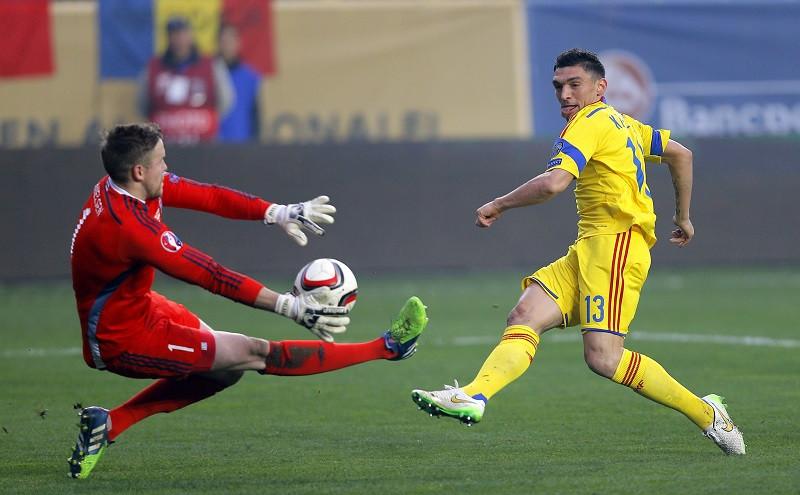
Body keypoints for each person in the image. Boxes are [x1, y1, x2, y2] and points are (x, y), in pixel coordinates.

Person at [410, 48, 745, 455]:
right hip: (590, 247)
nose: (565, 94)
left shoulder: (589, 122)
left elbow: (553, 183)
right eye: (558, 86)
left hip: (617, 246)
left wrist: (499, 204)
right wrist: (684, 216)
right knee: (524, 315)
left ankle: (708, 415)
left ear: (600, 87)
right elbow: (681, 153)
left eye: (574, 84)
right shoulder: (622, 122)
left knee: (604, 359)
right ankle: (474, 395)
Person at [67, 123, 428, 479]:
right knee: (252, 352)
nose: (167, 166)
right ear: (139, 171)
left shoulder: (123, 186)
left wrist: (276, 212)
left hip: (141, 307)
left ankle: (109, 423)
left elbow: (209, 196)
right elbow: (211, 275)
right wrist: (288, 306)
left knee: (226, 370)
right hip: (120, 339)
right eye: (161, 160)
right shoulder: (128, 227)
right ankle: (387, 348)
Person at [137, 17, 234, 143]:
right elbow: (142, 104)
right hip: (165, 145)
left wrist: (199, 121)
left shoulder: (211, 65)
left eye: (183, 34)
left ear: (190, 36)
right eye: (174, 35)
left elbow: (226, 101)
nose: (179, 40)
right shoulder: (153, 67)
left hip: (204, 144)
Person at [217, 22, 261, 142]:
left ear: (238, 43)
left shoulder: (250, 76)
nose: (227, 46)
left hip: (242, 142)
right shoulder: (209, 72)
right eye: (224, 41)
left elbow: (255, 115)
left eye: (231, 41)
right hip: (214, 143)